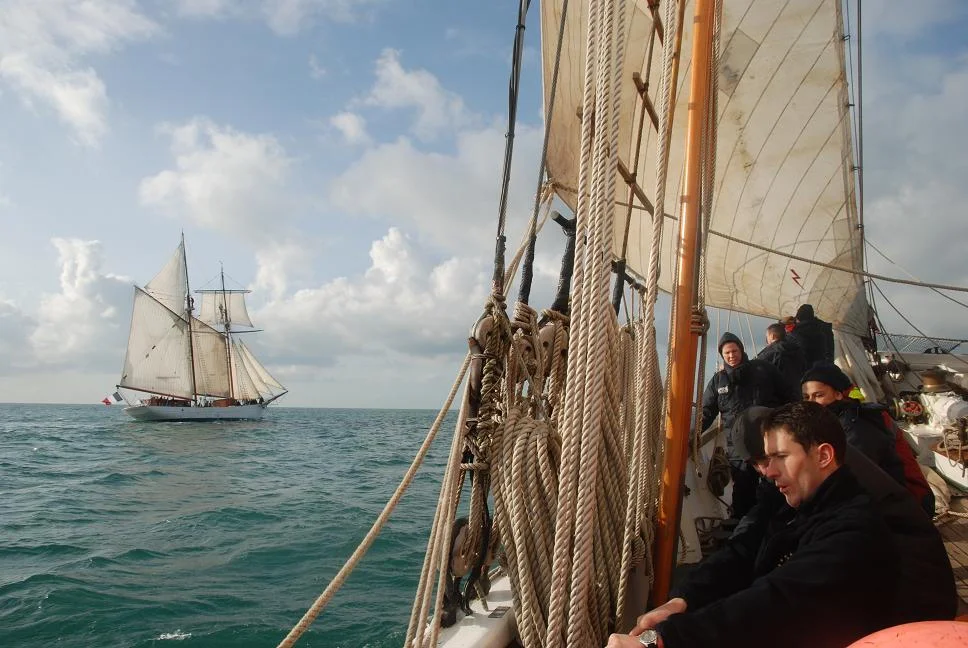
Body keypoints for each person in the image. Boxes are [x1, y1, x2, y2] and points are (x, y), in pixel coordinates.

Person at [606, 402, 899, 648]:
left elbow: (781, 599)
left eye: (781, 457)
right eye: (767, 459)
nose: (769, 471)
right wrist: (683, 600)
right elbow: (741, 553)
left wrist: (660, 640)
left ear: (823, 456)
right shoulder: (794, 505)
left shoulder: (855, 528)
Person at [800, 363, 934, 515]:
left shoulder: (858, 426)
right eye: (806, 397)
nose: (811, 403)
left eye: (818, 395)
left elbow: (852, 478)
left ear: (838, 394)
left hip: (912, 505)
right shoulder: (849, 412)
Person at [699, 332, 794, 517]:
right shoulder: (718, 381)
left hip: (768, 442)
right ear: (722, 356)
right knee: (743, 490)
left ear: (741, 350)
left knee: (773, 487)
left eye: (734, 351)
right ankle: (742, 526)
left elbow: (788, 395)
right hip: (738, 448)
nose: (731, 355)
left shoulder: (763, 370)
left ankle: (777, 523)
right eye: (727, 353)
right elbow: (707, 411)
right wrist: (694, 433)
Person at [757, 322, 807, 400]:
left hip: (777, 398)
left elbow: (759, 374)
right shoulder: (798, 351)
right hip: (797, 395)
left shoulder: (769, 354)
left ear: (772, 336)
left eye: (767, 336)